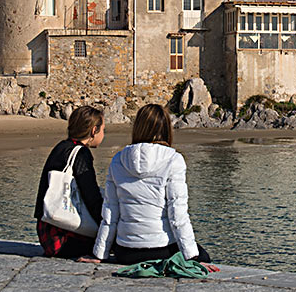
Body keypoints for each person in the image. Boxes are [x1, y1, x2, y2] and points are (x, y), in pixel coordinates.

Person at [85, 104, 212, 265]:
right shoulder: (173, 160)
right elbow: (178, 215)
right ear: (166, 129)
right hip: (161, 249)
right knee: (203, 255)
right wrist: (192, 257)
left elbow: (110, 213)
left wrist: (100, 253)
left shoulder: (118, 160)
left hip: (126, 252)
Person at [35, 105, 105, 258]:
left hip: (47, 233)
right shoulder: (81, 153)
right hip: (63, 238)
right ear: (94, 131)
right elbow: (90, 196)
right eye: (103, 130)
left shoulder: (61, 147)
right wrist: (106, 226)